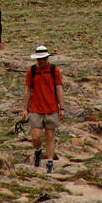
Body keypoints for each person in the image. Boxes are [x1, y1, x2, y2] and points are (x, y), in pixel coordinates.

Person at [22, 44, 64, 174]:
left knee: (50, 136)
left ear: (47, 58)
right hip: (36, 108)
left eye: (43, 59)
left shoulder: (54, 70)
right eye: (39, 59)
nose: (41, 61)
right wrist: (25, 109)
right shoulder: (32, 71)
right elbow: (28, 89)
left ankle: (50, 162)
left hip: (51, 108)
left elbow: (59, 88)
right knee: (36, 136)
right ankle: (38, 150)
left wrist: (62, 107)